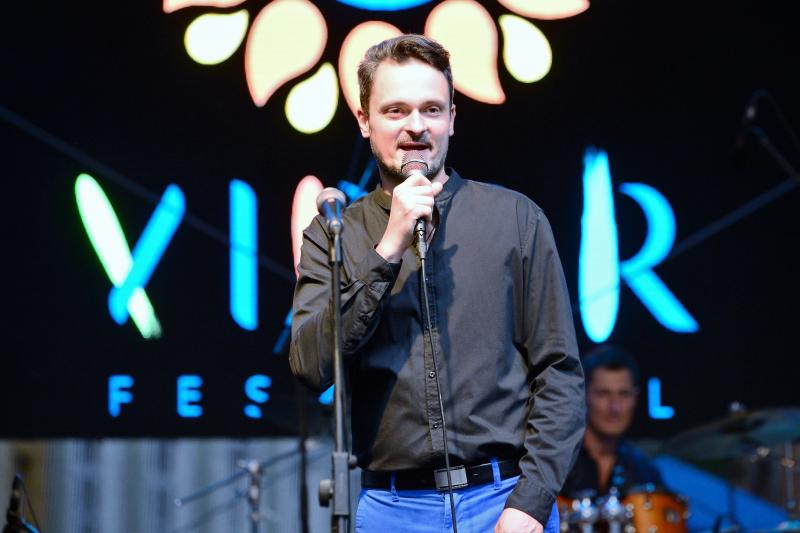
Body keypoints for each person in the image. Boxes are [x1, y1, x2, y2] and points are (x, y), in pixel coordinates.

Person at [289, 34, 584, 533]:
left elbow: (559, 371)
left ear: (452, 117)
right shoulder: (336, 233)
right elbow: (310, 364)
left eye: (431, 109)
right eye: (395, 111)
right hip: (393, 507)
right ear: (364, 121)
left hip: (503, 498)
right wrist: (388, 249)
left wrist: (532, 501)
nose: (416, 127)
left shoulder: (515, 219)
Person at [561, 345, 664, 498]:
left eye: (624, 394)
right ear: (583, 395)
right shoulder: (557, 463)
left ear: (635, 398)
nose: (615, 407)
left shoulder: (646, 473)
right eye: (603, 393)